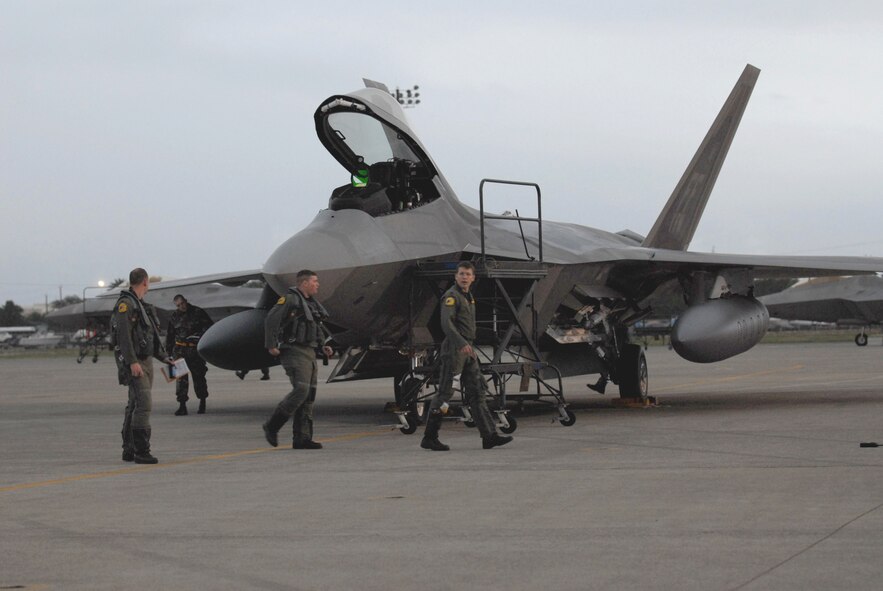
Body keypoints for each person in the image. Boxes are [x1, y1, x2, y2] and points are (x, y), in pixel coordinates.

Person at [421, 261, 513, 451]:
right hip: (455, 349)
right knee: (446, 392)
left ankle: (489, 436)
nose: (464, 277)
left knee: (477, 391)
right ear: (456, 276)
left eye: (468, 274)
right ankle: (429, 437)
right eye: (461, 274)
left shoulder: (468, 297)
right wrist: (461, 343)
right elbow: (446, 324)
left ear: (473, 278)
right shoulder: (451, 297)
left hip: (468, 349)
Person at [262, 270, 334, 450]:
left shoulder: (310, 303)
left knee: (309, 395)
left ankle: (302, 438)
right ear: (304, 283)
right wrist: (271, 345)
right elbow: (271, 319)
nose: (317, 284)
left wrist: (323, 344)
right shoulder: (290, 300)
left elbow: (314, 326)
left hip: (308, 351)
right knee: (301, 390)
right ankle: (272, 425)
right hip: (293, 350)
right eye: (315, 281)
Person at [111, 267, 170, 464]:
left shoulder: (141, 305)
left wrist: (165, 358)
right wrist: (132, 362)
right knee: (144, 405)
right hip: (136, 363)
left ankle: (129, 449)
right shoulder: (126, 305)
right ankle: (142, 451)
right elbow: (124, 338)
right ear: (145, 281)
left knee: (134, 404)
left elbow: (149, 337)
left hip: (145, 360)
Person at [165, 294, 214, 415]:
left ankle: (202, 402)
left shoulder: (198, 312)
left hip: (194, 351)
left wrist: (200, 336)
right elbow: (170, 335)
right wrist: (168, 353)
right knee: (180, 379)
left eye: (182, 303)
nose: (181, 306)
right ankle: (182, 405)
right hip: (179, 350)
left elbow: (210, 327)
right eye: (178, 305)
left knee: (199, 377)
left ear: (186, 301)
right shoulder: (174, 316)